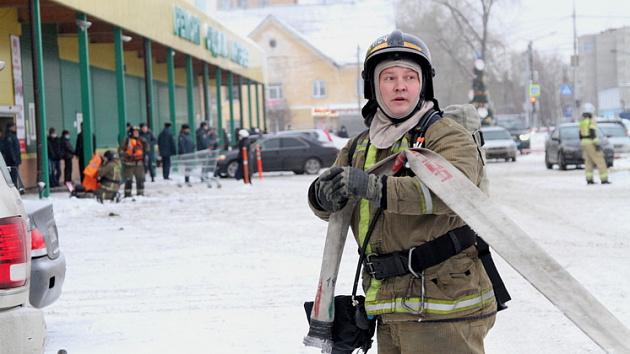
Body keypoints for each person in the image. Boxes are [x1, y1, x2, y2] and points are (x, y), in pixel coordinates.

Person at [307, 30, 496, 353]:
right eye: (389, 77)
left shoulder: (447, 136)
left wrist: (373, 187)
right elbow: (333, 205)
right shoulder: (359, 146)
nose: (400, 86)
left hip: (444, 305)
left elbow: (454, 194)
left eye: (410, 76)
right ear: (373, 86)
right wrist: (320, 196)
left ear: (423, 84)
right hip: (389, 304)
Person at [579, 112, 610, 184]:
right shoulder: (591, 121)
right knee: (600, 161)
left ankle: (589, 179)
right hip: (591, 143)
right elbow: (592, 133)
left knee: (588, 162)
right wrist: (597, 144)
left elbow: (580, 135)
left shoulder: (582, 122)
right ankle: (604, 179)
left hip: (584, 143)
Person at [119, 126, 149, 197]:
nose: (136, 133)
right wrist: (128, 156)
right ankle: (127, 195)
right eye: (135, 132)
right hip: (129, 165)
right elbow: (120, 151)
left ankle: (140, 194)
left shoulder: (141, 141)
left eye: (138, 132)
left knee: (140, 180)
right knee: (128, 181)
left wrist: (145, 143)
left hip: (139, 164)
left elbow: (147, 150)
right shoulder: (126, 140)